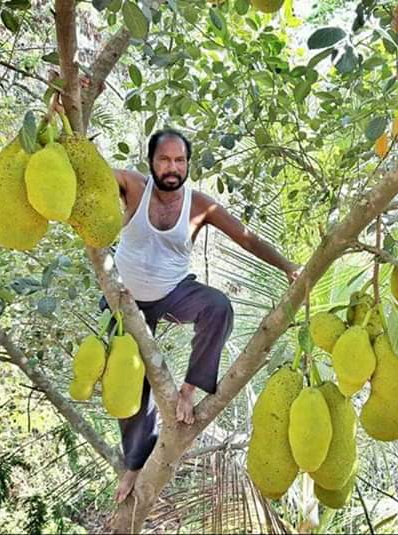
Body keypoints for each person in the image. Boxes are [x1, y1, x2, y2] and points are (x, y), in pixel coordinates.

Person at [108, 129, 301, 502]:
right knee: (132, 385)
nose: (172, 167)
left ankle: (188, 391)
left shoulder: (199, 205)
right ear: (151, 161)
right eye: (164, 159)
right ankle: (134, 465)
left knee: (217, 306)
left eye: (179, 161)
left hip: (175, 293)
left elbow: (247, 237)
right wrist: (66, 105)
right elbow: (94, 174)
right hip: (125, 300)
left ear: (187, 165)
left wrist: (288, 266)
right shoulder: (132, 186)